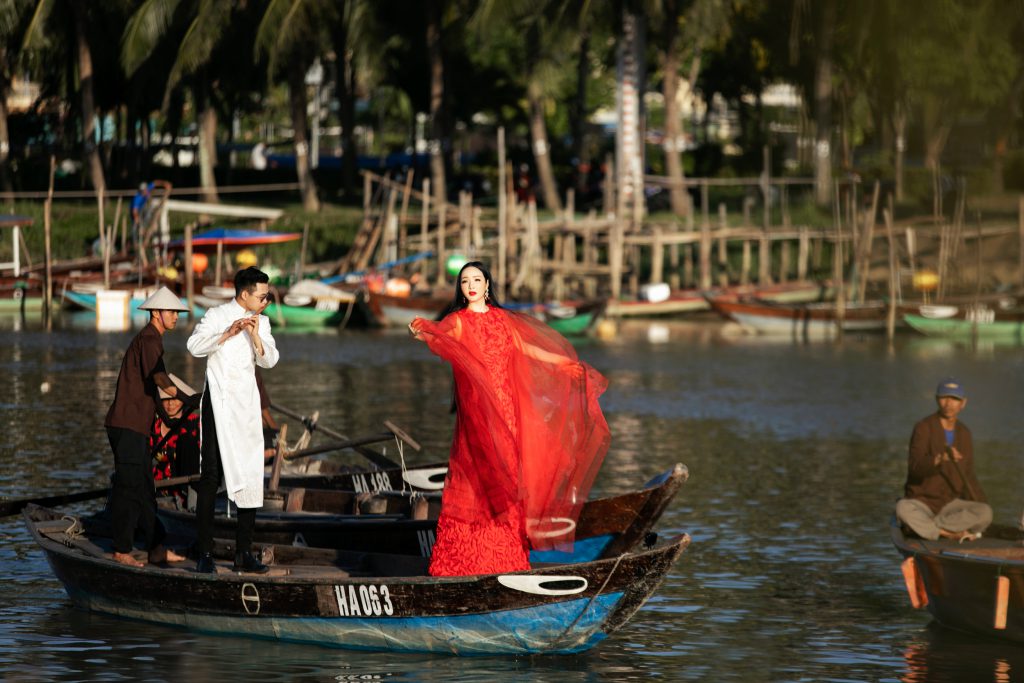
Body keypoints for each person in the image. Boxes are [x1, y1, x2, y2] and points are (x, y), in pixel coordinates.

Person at [409, 261, 610, 576]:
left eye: (477, 279)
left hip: (509, 413)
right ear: (460, 289)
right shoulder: (459, 321)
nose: (472, 285)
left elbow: (526, 349)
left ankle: (506, 560)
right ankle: (463, 564)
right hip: (479, 415)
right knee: (477, 478)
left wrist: (562, 365)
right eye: (465, 281)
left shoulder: (503, 320)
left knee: (512, 480)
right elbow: (441, 334)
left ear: (487, 284)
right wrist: (424, 329)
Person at [187, 267, 280, 574]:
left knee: (252, 475)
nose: (265, 300)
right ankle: (205, 553)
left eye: (267, 295)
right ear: (244, 294)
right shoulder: (216, 314)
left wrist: (254, 334)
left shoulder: (262, 322)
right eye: (262, 295)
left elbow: (270, 360)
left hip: (246, 408)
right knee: (210, 477)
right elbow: (194, 346)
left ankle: (243, 552)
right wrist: (226, 333)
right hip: (217, 402)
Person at [103, 286, 189, 567]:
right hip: (126, 425)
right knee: (128, 488)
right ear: (156, 313)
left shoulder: (153, 342)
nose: (175, 316)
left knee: (145, 488)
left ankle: (155, 548)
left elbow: (153, 388)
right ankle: (121, 549)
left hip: (137, 427)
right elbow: (161, 380)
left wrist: (168, 418)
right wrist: (187, 397)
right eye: (171, 311)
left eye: (177, 311)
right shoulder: (149, 339)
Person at [896, 378, 992, 542]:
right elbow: (915, 467)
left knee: (985, 512)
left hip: (948, 505)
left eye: (955, 399)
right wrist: (940, 458)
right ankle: (946, 533)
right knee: (902, 508)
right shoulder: (923, 427)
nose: (949, 404)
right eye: (944, 398)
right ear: (936, 400)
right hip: (921, 502)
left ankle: (929, 527)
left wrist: (981, 503)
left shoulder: (964, 433)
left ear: (963, 403)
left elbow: (968, 475)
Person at [151, 373, 201, 508]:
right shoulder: (152, 425)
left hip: (186, 489)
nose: (170, 403)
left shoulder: (195, 424)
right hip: (157, 489)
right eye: (165, 399)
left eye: (175, 398)